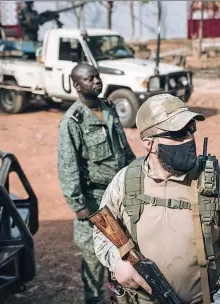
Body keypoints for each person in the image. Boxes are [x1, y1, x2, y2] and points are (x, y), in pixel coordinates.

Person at [93, 94, 220, 304]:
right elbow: (101, 232)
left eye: (190, 129)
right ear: (150, 143)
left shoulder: (217, 181)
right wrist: (117, 261)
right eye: (178, 133)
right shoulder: (125, 182)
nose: (189, 139)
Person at [57, 63, 136, 304]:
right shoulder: (73, 120)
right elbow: (67, 165)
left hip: (118, 196)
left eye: (97, 77)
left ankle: (120, 297)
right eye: (90, 79)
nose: (96, 82)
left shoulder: (109, 108)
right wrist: (79, 204)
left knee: (123, 249)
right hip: (94, 200)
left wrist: (135, 173)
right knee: (93, 256)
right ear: (77, 85)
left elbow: (123, 148)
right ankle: (93, 299)